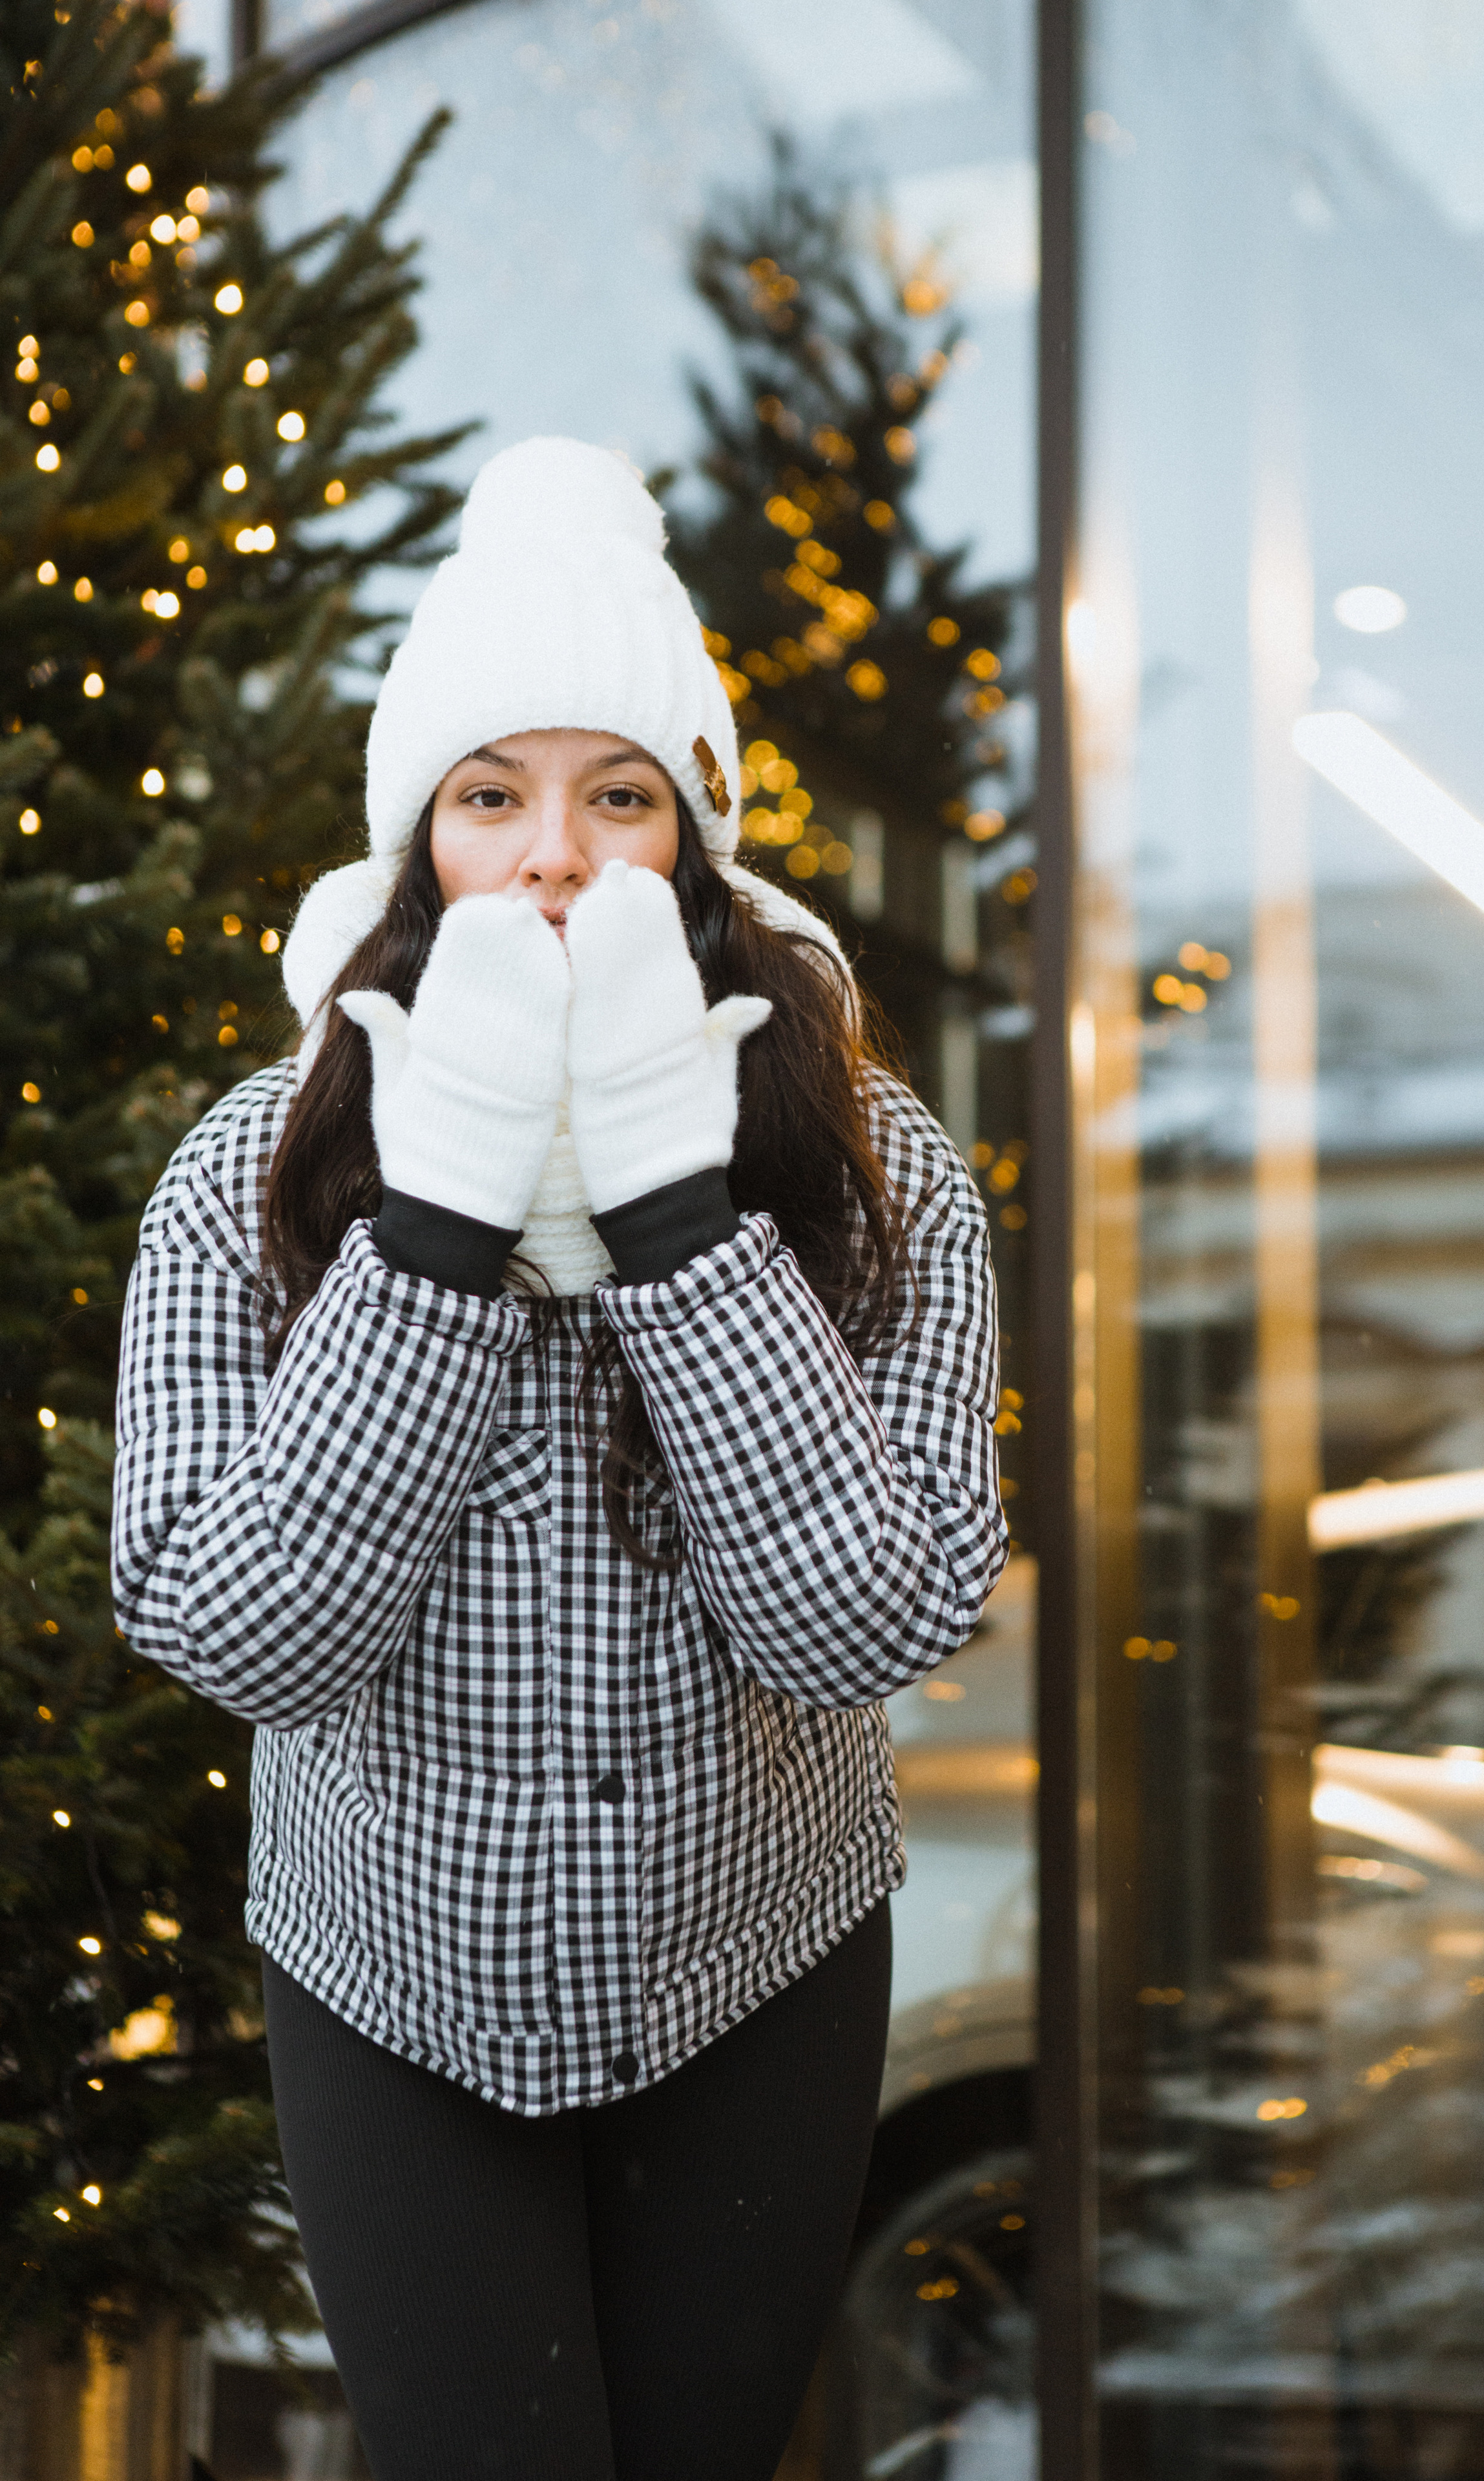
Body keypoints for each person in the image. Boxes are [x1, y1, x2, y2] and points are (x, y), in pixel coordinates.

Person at [112, 436, 1006, 2481]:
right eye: (491, 797)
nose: (555, 859)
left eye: (620, 796)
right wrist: (436, 1227)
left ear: (693, 844)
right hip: (391, 1978)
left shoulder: (875, 1173)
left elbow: (868, 1621)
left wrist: (683, 1218)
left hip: (755, 1964)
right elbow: (240, 1634)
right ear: (415, 842)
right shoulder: (252, 1170)